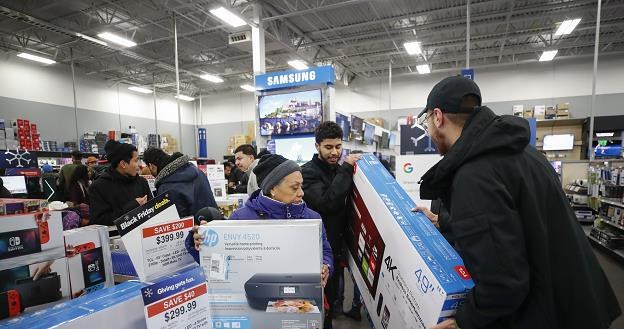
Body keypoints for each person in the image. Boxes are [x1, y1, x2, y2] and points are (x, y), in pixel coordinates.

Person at [413, 75, 621, 329]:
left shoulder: (475, 175)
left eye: (428, 124)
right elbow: (517, 223)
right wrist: (444, 220)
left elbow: (503, 283)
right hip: (579, 304)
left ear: (438, 117)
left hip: (546, 315)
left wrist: (464, 321)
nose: (431, 134)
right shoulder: (523, 153)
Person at [186, 154, 334, 286]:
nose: (301, 193)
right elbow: (219, 267)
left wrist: (326, 265)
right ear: (272, 189)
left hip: (302, 301)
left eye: (301, 186)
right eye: (294, 187)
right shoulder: (240, 219)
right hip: (253, 303)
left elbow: (325, 250)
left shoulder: (312, 217)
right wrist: (203, 244)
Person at [301, 121, 361, 327]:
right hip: (316, 253)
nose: (334, 152)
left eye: (338, 146)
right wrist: (345, 169)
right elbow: (326, 203)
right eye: (328, 147)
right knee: (318, 308)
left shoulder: (338, 170)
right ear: (317, 146)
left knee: (331, 304)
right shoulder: (307, 173)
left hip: (337, 249)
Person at [88, 140, 153, 227]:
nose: (139, 165)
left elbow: (153, 209)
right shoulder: (98, 187)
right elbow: (98, 221)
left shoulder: (142, 182)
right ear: (123, 164)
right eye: (136, 160)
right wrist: (132, 207)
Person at [143, 148, 217, 218]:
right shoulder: (196, 171)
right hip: (214, 225)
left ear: (151, 166)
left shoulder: (166, 186)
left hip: (194, 229)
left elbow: (175, 221)